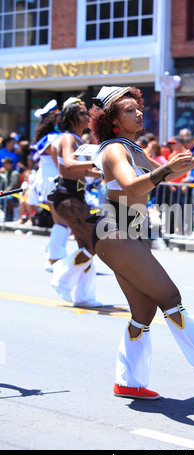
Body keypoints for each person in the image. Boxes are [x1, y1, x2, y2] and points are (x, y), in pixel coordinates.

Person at [88, 85, 194, 400]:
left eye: (138, 108)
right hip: (115, 229)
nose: (138, 113)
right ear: (113, 119)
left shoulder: (136, 149)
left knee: (143, 311)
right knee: (169, 295)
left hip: (130, 230)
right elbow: (131, 183)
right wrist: (165, 168)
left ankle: (127, 381)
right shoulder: (114, 148)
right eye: (128, 110)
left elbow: (170, 174)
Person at [49, 96, 103, 307]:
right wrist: (99, 160)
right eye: (82, 112)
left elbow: (82, 170)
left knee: (86, 245)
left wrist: (102, 173)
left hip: (77, 195)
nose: (87, 115)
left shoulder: (79, 140)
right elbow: (69, 164)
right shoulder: (68, 138)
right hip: (68, 195)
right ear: (71, 116)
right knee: (92, 243)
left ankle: (83, 296)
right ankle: (60, 277)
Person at [29, 99, 71, 260]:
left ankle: (53, 252)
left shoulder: (49, 137)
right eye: (58, 115)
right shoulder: (53, 138)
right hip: (53, 180)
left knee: (60, 220)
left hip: (47, 179)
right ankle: (54, 256)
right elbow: (59, 164)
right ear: (52, 118)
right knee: (62, 220)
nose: (61, 118)